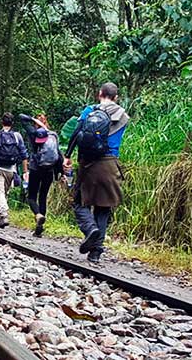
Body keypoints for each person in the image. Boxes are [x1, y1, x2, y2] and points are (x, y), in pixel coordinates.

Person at [63, 82, 130, 264]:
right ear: (116, 97)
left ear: (100, 93)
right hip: (110, 163)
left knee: (79, 202)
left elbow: (76, 133)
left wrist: (67, 156)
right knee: (103, 208)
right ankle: (96, 252)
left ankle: (90, 229)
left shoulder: (89, 111)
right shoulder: (123, 116)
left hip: (88, 164)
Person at [19, 113, 63, 237]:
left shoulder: (34, 133)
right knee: (43, 196)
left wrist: (33, 120)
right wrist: (59, 173)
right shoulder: (53, 135)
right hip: (49, 170)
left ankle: (38, 215)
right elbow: (58, 154)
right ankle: (40, 226)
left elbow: (22, 118)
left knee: (32, 197)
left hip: (36, 168)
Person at [0, 113, 29, 228]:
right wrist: (25, 172)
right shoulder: (17, 136)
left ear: (1, 123)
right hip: (11, 170)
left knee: (0, 193)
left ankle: (4, 215)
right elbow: (24, 155)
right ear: (12, 123)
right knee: (5, 193)